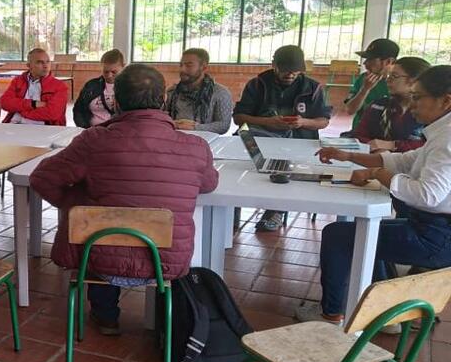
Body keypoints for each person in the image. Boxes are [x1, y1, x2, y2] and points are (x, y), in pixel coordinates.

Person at [30, 64, 218, 335]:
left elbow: (42, 178)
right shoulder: (195, 147)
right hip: (164, 261)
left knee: (100, 232)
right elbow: (209, 183)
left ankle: (106, 317)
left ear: (116, 102)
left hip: (97, 259)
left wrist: (77, 206)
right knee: (118, 233)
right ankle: (164, 325)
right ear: (163, 100)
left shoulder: (94, 140)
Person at [299, 65, 451, 324]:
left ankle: (331, 314)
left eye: (418, 98)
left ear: (446, 100)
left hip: (435, 235)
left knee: (337, 236)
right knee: (368, 229)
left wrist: (377, 173)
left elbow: (427, 194)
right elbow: (405, 161)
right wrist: (349, 156)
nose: (412, 105)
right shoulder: (440, 134)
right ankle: (384, 311)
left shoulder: (446, 141)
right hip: (431, 228)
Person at [233, 44, 331, 232]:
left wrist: (303, 122)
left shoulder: (313, 88)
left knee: (284, 171)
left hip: (298, 141)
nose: (290, 75)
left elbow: (323, 121)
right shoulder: (257, 84)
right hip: (260, 139)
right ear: (273, 65)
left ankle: (275, 210)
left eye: (295, 71)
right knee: (237, 166)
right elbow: (239, 118)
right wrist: (268, 122)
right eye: (285, 71)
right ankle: (232, 208)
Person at [351, 56, 430, 153]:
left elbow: (431, 144)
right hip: (374, 161)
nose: (387, 80)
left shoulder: (430, 112)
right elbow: (359, 135)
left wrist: (393, 145)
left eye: (394, 76)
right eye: (388, 76)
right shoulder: (378, 106)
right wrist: (378, 150)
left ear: (414, 80)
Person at [165, 47, 234, 134]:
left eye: (189, 65)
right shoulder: (173, 92)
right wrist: (173, 124)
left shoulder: (220, 93)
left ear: (203, 67)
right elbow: (162, 116)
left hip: (207, 142)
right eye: (181, 65)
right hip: (174, 138)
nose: (182, 69)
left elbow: (223, 125)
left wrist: (195, 127)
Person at [0, 47, 68, 126]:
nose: (45, 66)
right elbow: (4, 102)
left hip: (44, 128)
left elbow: (53, 113)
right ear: (29, 65)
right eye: (40, 62)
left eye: (48, 62)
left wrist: (22, 112)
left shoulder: (59, 86)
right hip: (14, 124)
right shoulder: (18, 81)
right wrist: (33, 104)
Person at [344, 38, 399, 130]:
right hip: (360, 132)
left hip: (387, 135)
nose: (365, 63)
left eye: (371, 59)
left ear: (389, 61)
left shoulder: (400, 83)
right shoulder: (363, 79)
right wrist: (365, 89)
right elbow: (350, 110)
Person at [73, 49, 123, 128]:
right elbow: (78, 110)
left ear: (123, 66)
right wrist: (84, 128)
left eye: (114, 72)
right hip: (92, 131)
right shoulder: (91, 85)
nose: (109, 75)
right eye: (106, 72)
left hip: (118, 132)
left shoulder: (130, 87)